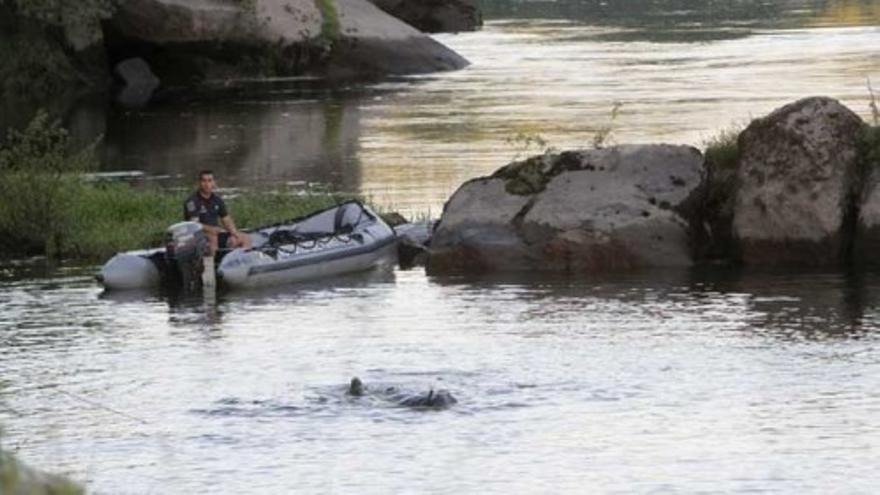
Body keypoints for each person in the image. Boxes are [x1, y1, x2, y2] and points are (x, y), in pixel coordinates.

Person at [183, 170, 251, 255]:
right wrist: (212, 229)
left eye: (210, 180)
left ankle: (240, 263)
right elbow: (194, 224)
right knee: (212, 237)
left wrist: (234, 232)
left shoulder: (217, 200)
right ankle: (213, 265)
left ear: (214, 183)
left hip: (216, 233)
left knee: (245, 238)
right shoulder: (192, 201)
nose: (207, 184)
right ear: (199, 183)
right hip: (198, 237)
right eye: (204, 181)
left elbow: (226, 219)